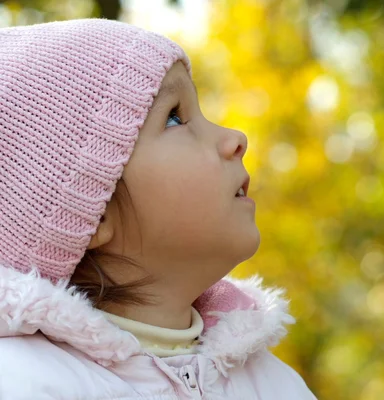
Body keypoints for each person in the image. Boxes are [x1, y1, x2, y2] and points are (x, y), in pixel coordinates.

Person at [0, 18, 317, 399]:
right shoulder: (25, 383)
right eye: (175, 117)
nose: (236, 139)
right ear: (93, 211)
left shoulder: (275, 385)